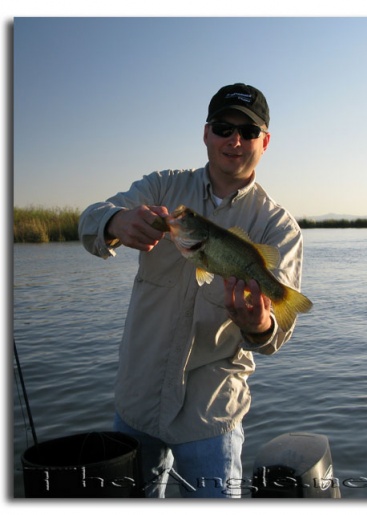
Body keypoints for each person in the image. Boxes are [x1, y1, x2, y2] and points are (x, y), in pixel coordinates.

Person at [78, 83, 305, 498]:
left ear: (265, 142)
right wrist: (115, 222)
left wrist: (260, 323)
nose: (234, 140)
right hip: (136, 405)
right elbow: (89, 221)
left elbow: (274, 338)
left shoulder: (278, 226)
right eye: (223, 127)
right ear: (206, 134)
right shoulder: (163, 188)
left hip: (211, 418)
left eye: (248, 132)